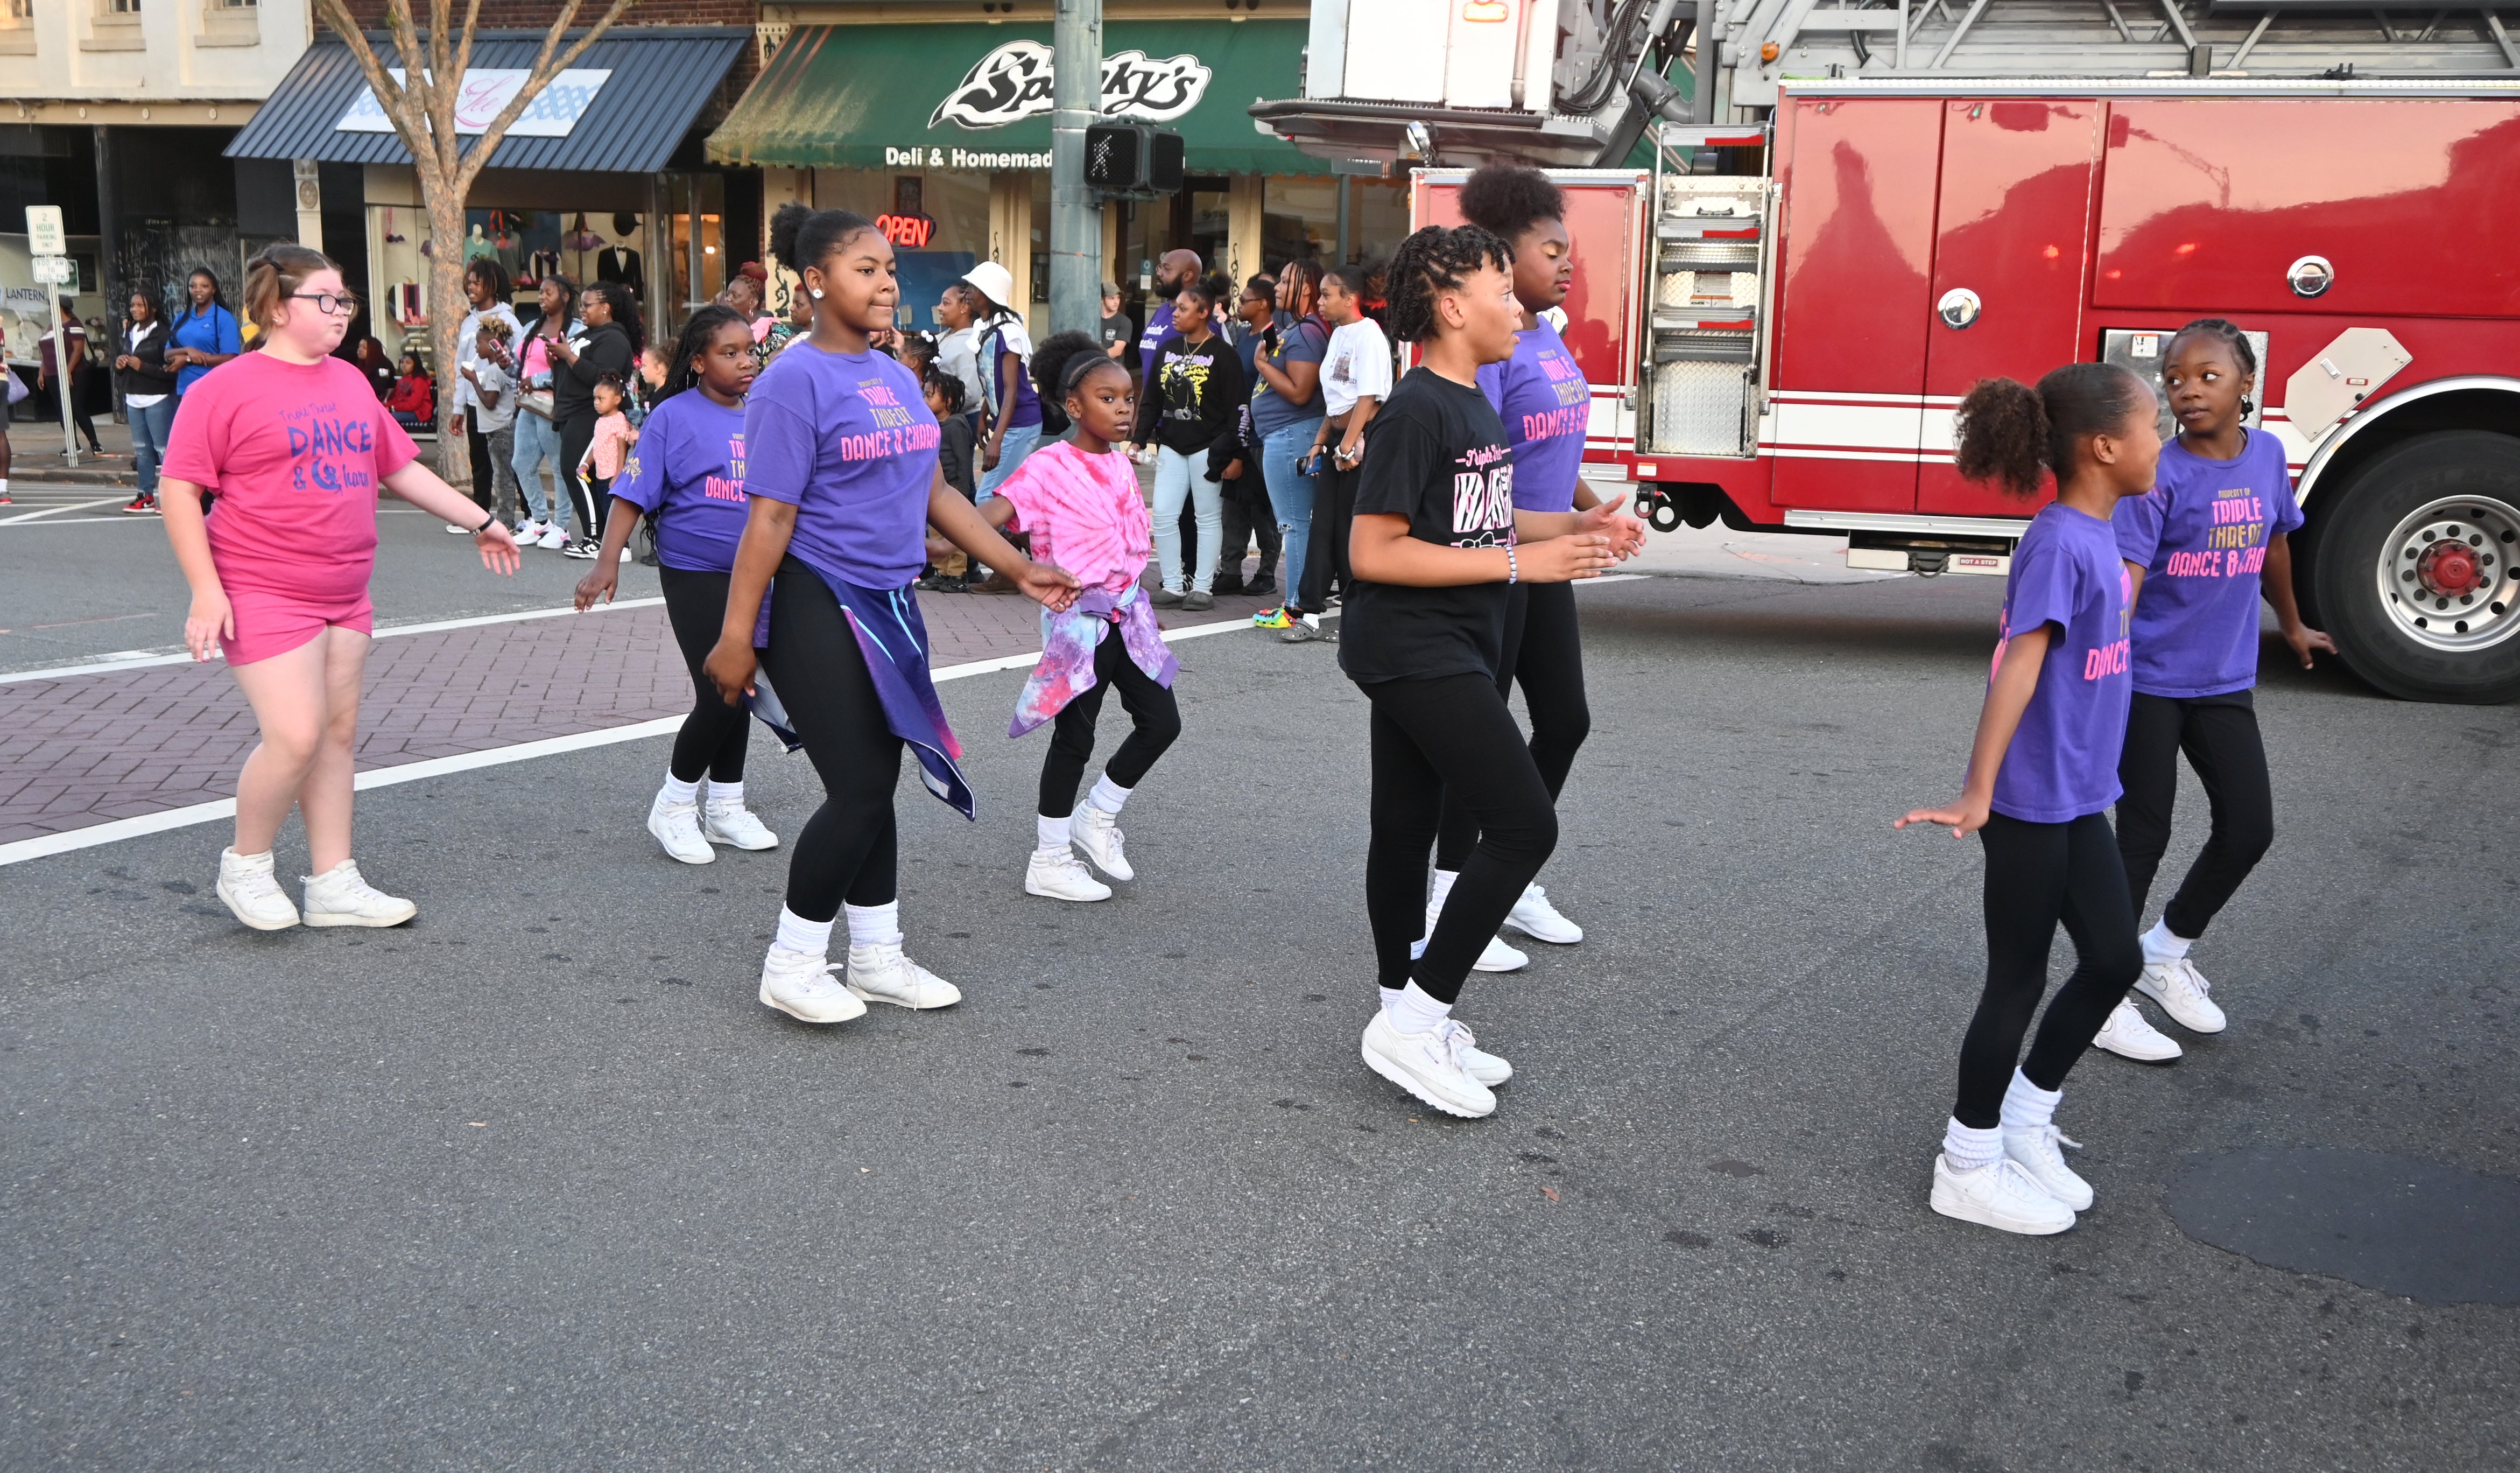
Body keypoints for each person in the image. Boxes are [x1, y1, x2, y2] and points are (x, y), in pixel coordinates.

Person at [703, 202, 1079, 1027]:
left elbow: (934, 489)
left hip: (888, 602)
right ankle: (793, 962)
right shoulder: (790, 382)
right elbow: (768, 517)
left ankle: (876, 957)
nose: (885, 284)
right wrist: (737, 638)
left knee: (874, 783)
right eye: (864, 269)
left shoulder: (890, 373)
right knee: (863, 786)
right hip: (816, 599)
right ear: (814, 282)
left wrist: (1016, 566)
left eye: (889, 270)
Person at [1341, 223, 1637, 1120]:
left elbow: (1490, 516)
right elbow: (1373, 548)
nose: (1518, 307)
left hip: (1447, 641)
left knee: (1401, 827)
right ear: (1449, 306)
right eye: (1500, 292)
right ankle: (1421, 1013)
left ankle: (1404, 1009)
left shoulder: (1473, 404)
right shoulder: (1416, 406)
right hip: (1412, 645)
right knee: (1522, 825)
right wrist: (1522, 567)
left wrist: (1580, 529)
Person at [156, 243, 520, 933]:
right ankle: (247, 864)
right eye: (325, 300)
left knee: (334, 736)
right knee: (293, 736)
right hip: (262, 587)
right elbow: (179, 491)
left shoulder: (351, 382)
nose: (341, 312)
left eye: (345, 300)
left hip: (345, 588)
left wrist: (482, 520)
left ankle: (332, 881)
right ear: (273, 309)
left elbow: (399, 468)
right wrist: (206, 590)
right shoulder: (222, 389)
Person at [1895, 361, 2161, 1236]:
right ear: (2104, 447)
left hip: (2079, 795)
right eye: (2150, 426)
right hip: (2027, 802)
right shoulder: (2057, 541)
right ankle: (1965, 1163)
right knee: (2015, 981)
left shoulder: (2099, 534)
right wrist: (1978, 793)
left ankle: (2022, 1117)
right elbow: (2018, 663)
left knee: (2116, 961)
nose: (2158, 441)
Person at [2094, 318, 2334, 1063]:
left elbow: (2274, 542)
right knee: (2143, 833)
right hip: (2150, 681)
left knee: (2248, 828)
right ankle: (2102, 996)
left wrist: (2292, 627)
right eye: (2173, 380)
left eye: (2207, 377)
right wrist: (2092, 663)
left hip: (2223, 679)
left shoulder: (2265, 456)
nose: (2187, 392)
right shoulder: (2155, 476)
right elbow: (2125, 581)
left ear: (2246, 385)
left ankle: (2163, 952)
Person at [1426, 165, 1603, 966]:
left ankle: (1508, 875)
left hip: (1549, 555)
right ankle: (1450, 894)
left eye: (1568, 251)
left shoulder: (1546, 329)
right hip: (1498, 557)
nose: (1567, 263)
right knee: (1486, 733)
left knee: (1564, 720)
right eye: (1551, 250)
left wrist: (1589, 505)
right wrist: (1549, 527)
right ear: (1503, 255)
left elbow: (1552, 442)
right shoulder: (1490, 344)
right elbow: (1474, 465)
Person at [978, 331, 1181, 903]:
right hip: (1077, 623)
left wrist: (1138, 601)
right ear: (1074, 406)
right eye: (1107, 399)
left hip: (1127, 617)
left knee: (1162, 723)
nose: (1122, 410)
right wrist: (945, 531)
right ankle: (1048, 857)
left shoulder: (1118, 464)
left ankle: (1097, 816)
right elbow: (992, 513)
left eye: (1127, 400)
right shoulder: (1047, 466)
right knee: (1075, 738)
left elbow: (1125, 545)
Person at [572, 305, 778, 864]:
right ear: (697, 360)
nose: (744, 362)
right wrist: (606, 562)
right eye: (728, 353)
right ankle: (673, 804)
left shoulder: (763, 412)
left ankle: (726, 807)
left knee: (742, 690)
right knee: (720, 692)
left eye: (748, 350)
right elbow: (631, 492)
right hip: (695, 571)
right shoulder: (673, 416)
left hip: (754, 573)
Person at [1285, 264, 1393, 642]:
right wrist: (1321, 440)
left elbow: (1369, 396)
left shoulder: (1370, 336)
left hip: (1362, 441)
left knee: (1351, 528)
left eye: (1328, 294)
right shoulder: (1338, 335)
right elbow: (1336, 399)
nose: (1321, 301)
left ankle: (1358, 616)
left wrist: (1352, 443)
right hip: (1339, 439)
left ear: (1350, 298)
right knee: (1324, 525)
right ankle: (1310, 613)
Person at [1132, 277, 1244, 611]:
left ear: (1204, 312)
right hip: (1171, 447)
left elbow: (1238, 408)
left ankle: (1203, 588)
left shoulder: (1224, 355)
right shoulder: (1168, 350)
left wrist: (1235, 453)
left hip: (1210, 448)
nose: (1175, 314)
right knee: (1164, 515)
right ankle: (1172, 584)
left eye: (1183, 308)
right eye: (1175, 308)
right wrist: (1138, 441)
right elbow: (1151, 399)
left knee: (1207, 518)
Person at [1250, 261, 1330, 630]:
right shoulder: (1297, 329)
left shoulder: (1308, 333)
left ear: (1307, 289)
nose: (1277, 286)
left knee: (1294, 524)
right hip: (1285, 434)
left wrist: (1262, 364)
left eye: (1285, 281)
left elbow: (1300, 392)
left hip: (1293, 433)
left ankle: (1296, 606)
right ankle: (1297, 601)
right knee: (1295, 523)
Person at [550, 279, 640, 557]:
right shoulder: (585, 334)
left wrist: (569, 356)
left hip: (591, 414)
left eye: (588, 305)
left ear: (606, 308)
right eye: (581, 305)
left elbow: (605, 380)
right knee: (581, 474)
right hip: (572, 412)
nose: (582, 310)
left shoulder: (613, 338)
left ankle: (598, 538)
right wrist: (559, 358)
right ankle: (600, 536)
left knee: (578, 471)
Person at [1213, 275, 1282, 595]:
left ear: (1263, 304)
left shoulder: (1272, 340)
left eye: (1245, 301)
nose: (1238, 305)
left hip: (1263, 437)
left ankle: (1267, 573)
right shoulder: (1242, 336)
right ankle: (1231, 571)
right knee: (1233, 507)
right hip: (1238, 434)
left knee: (1262, 508)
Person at [450, 259, 523, 532]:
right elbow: (461, 366)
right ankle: (478, 516)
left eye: (476, 282)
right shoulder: (468, 322)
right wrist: (459, 407)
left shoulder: (509, 321)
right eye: (468, 282)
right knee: (480, 463)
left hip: (501, 405)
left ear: (492, 284)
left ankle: (529, 518)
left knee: (509, 465)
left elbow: (517, 363)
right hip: (473, 403)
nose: (470, 287)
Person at [511, 275, 582, 550]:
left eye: (548, 292)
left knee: (559, 467)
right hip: (528, 404)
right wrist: (507, 363)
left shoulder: (575, 329)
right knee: (521, 463)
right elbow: (520, 364)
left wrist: (538, 381)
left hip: (555, 405)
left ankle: (562, 526)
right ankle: (540, 521)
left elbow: (571, 369)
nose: (541, 297)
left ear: (565, 297)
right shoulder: (532, 326)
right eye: (540, 292)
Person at [961, 262, 1041, 498]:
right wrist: (985, 416)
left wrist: (997, 440)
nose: (967, 293)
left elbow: (1011, 389)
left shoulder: (1009, 331)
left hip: (1021, 423)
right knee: (1004, 493)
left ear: (987, 294)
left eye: (973, 288)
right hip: (1008, 422)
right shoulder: (984, 327)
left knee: (987, 496)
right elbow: (991, 380)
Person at [915, 367, 979, 592]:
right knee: (937, 531)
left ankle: (957, 574)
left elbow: (964, 461)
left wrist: (961, 489)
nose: (925, 399)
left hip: (954, 490)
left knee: (955, 534)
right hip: (936, 491)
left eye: (930, 395)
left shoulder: (956, 426)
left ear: (948, 401)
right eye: (925, 394)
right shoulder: (932, 425)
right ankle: (942, 572)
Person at [115, 290, 179, 514]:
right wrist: (120, 364)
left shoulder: (164, 334)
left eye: (140, 306)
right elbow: (122, 362)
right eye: (133, 306)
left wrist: (143, 367)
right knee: (142, 451)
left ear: (153, 309)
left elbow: (171, 372)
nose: (135, 310)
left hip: (158, 398)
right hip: (133, 398)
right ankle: (145, 496)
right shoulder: (129, 331)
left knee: (164, 450)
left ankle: (172, 497)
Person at [565, 376, 637, 560]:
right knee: (606, 514)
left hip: (613, 475)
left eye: (601, 399)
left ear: (616, 400)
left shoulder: (619, 421)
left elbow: (623, 448)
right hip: (600, 475)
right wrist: (586, 464)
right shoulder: (600, 421)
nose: (597, 403)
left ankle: (624, 548)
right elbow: (596, 446)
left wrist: (619, 474)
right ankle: (609, 547)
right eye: (595, 398)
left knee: (614, 515)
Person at [165, 268, 243, 403]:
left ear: (213, 290)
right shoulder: (181, 318)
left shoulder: (224, 318)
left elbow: (231, 358)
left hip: (213, 389)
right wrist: (188, 350)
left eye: (204, 286)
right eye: (192, 286)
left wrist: (188, 359)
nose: (198, 290)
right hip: (184, 389)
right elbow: (166, 353)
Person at [38, 300, 104, 457]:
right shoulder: (51, 327)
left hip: (76, 373)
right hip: (52, 374)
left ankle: (94, 442)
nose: (49, 309)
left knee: (75, 406)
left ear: (60, 307)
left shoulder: (74, 325)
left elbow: (78, 350)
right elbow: (44, 354)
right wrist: (41, 372)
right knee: (62, 408)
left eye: (52, 306)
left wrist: (68, 370)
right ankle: (72, 443)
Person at [1136, 248, 1202, 384]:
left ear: (1187, 276)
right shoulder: (1162, 310)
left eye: (1167, 269)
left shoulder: (1199, 318)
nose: (1160, 273)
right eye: (1160, 268)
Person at [386, 352, 435, 434]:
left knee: (390, 417)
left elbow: (413, 404)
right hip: (405, 410)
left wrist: (392, 408)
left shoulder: (419, 381)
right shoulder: (402, 381)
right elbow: (397, 399)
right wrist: (383, 406)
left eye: (408, 363)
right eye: (402, 362)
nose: (404, 365)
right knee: (383, 414)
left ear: (415, 364)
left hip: (419, 413)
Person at [351, 336, 395, 400]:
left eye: (364, 348)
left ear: (374, 350)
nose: (360, 350)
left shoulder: (384, 365)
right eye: (359, 346)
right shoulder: (363, 363)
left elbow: (379, 387)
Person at [1098, 283, 1133, 362]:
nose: (1117, 302)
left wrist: (1094, 358)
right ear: (1102, 299)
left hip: (1113, 369)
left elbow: (1117, 351)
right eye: (1112, 298)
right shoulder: (1093, 319)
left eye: (1118, 298)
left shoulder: (1124, 321)